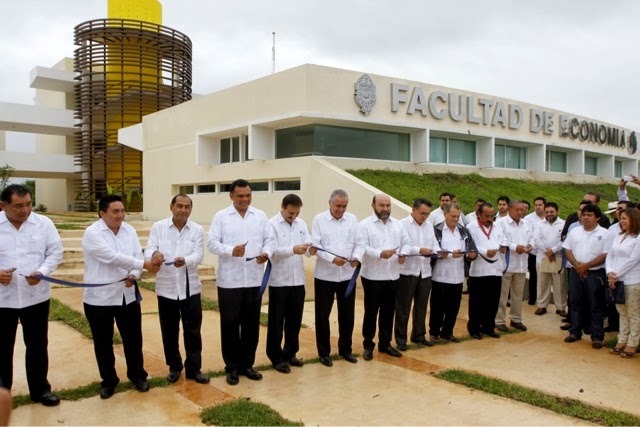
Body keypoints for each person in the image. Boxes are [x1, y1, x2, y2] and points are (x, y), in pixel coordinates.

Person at [82, 194, 158, 399]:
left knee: (133, 340)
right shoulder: (92, 233)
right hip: (99, 298)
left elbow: (136, 255)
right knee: (103, 342)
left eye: (122, 211)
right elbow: (111, 258)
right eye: (115, 211)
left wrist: (134, 275)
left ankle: (138, 376)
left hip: (127, 296)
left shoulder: (129, 230)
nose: (120, 215)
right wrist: (144, 265)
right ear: (102, 213)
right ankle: (108, 381)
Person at [208, 179, 276, 385]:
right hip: (230, 281)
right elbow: (211, 243)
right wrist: (231, 250)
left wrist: (266, 253)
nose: (245, 199)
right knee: (229, 325)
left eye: (248, 195)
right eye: (240, 196)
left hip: (254, 278)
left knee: (251, 325)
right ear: (231, 196)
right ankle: (232, 367)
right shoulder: (221, 217)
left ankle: (247, 365)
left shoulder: (260, 216)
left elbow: (270, 239)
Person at [0, 184, 63, 406]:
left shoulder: (43, 224)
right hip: (2, 300)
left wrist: (42, 272)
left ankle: (40, 390)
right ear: (3, 205)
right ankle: (2, 395)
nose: (25, 210)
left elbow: (55, 252)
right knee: (2, 348)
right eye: (18, 206)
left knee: (37, 345)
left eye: (28, 204)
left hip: (35, 297)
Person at [145, 194, 209, 385]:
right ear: (171, 207)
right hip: (167, 289)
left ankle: (194, 369)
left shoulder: (197, 229)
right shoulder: (159, 227)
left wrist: (186, 260)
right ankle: (174, 367)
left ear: (191, 209)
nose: (183, 210)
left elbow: (198, 254)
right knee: (169, 331)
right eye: (179, 206)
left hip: (190, 289)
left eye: (187, 207)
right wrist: (155, 254)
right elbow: (149, 249)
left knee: (193, 331)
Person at [355, 194, 410, 360]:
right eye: (381, 205)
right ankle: (368, 345)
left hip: (393, 275)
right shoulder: (365, 225)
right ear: (373, 206)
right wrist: (380, 253)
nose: (385, 209)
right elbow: (362, 247)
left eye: (388, 205)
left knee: (388, 312)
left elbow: (406, 242)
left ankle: (385, 344)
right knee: (371, 312)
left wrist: (403, 253)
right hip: (373, 276)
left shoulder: (398, 225)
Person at [310, 190, 360, 367]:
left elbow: (359, 243)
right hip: (325, 276)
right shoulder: (319, 220)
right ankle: (324, 353)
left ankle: (345, 349)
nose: (341, 209)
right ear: (329, 203)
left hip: (347, 275)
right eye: (338, 206)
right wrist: (332, 259)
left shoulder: (353, 220)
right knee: (322, 315)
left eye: (344, 206)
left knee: (347, 315)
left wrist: (356, 257)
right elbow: (316, 245)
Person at [266, 194, 310, 373]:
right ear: (282, 207)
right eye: (290, 213)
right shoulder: (271, 224)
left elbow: (307, 243)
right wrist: (293, 249)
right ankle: (276, 356)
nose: (293, 217)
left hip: (297, 279)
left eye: (297, 213)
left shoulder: (301, 224)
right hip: (279, 280)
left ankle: (290, 352)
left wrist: (311, 249)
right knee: (277, 321)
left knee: (295, 319)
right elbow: (272, 251)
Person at [562, 204, 610, 349]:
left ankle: (597, 336)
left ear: (598, 218)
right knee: (575, 302)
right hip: (576, 272)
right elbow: (567, 250)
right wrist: (578, 266)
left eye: (589, 215)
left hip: (595, 273)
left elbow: (605, 254)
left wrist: (586, 266)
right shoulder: (575, 231)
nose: (586, 217)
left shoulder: (605, 234)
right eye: (584, 215)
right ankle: (575, 331)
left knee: (596, 304)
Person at [394, 198, 440, 350]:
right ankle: (401, 339)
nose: (425, 217)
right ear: (413, 210)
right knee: (404, 307)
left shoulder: (429, 226)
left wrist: (436, 252)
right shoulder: (402, 224)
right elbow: (400, 246)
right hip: (407, 271)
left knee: (421, 306)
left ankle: (419, 335)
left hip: (425, 271)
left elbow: (435, 245)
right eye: (422, 213)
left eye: (427, 214)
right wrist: (419, 250)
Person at [429, 204, 477, 342]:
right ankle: (434, 332)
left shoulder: (463, 231)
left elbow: (472, 248)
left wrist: (471, 254)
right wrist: (449, 254)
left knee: (453, 306)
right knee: (438, 307)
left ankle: (448, 331)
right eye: (453, 216)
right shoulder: (436, 230)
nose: (456, 219)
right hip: (440, 275)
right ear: (445, 214)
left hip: (457, 275)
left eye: (457, 216)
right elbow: (433, 250)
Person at [466, 203, 504, 339]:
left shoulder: (498, 226)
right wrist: (485, 251)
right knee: (477, 302)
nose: (490, 218)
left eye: (492, 215)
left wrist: (502, 247)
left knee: (493, 301)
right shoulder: (471, 227)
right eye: (486, 216)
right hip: (479, 270)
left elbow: (502, 241)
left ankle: (489, 327)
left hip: (495, 270)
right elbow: (470, 246)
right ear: (479, 215)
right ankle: (474, 328)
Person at [606, 208, 640, 358]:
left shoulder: (638, 238)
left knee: (633, 314)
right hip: (616, 281)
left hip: (632, 281)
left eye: (624, 218)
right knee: (622, 313)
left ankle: (632, 344)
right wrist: (610, 273)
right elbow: (610, 255)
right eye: (621, 218)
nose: (621, 221)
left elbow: (633, 260)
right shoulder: (619, 236)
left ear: (633, 219)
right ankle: (621, 341)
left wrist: (616, 275)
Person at [495, 200, 532, 332]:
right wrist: (515, 247)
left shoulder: (526, 224)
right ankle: (499, 319)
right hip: (507, 264)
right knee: (503, 294)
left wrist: (530, 246)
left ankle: (516, 319)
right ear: (510, 209)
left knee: (518, 294)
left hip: (522, 264)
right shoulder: (500, 223)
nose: (520, 212)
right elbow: (499, 240)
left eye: (522, 210)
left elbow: (532, 238)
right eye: (517, 210)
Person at [533, 202, 566, 316]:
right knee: (542, 283)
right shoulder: (540, 224)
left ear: (557, 212)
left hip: (558, 258)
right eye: (547, 212)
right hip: (542, 257)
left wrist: (553, 250)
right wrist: (547, 252)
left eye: (552, 212)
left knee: (559, 284)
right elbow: (536, 239)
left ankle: (561, 307)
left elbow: (564, 240)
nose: (549, 214)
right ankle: (542, 306)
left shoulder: (563, 224)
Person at [524, 197, 546, 306]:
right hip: (533, 252)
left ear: (544, 206)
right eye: (536, 205)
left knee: (545, 277)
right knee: (533, 275)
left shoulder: (549, 217)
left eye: (540, 205)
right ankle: (532, 298)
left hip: (546, 253)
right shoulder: (528, 219)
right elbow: (528, 235)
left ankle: (542, 300)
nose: (538, 207)